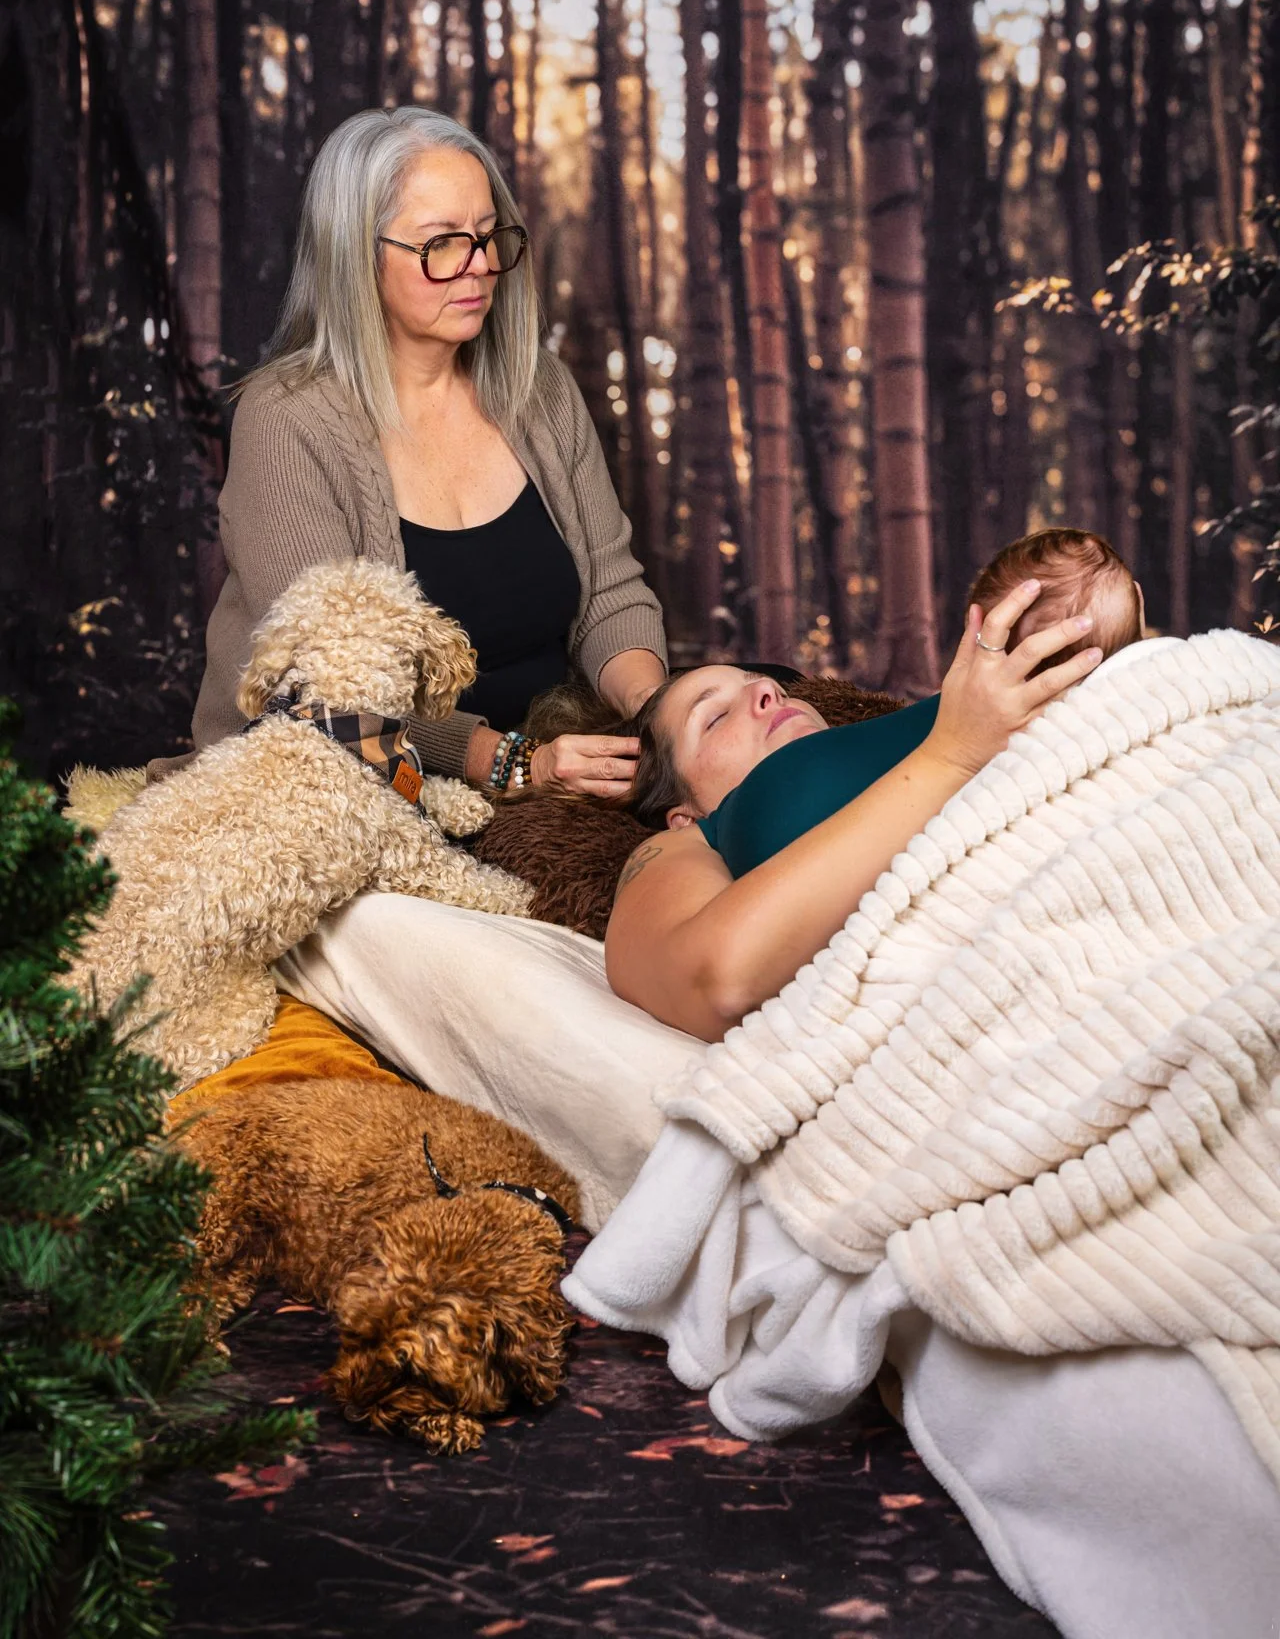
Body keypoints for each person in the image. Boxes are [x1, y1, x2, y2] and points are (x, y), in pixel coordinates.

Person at [151, 106, 664, 799]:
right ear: (357, 256)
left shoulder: (539, 389)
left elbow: (610, 593)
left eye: (488, 235)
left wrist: (657, 718)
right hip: (342, 790)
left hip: (549, 761)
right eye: (442, 243)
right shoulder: (286, 420)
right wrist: (514, 763)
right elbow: (327, 695)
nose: (480, 266)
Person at [606, 528, 1146, 1039]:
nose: (766, 693)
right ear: (683, 814)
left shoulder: (936, 724)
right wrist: (954, 754)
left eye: (770, 687)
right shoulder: (684, 844)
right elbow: (716, 982)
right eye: (715, 718)